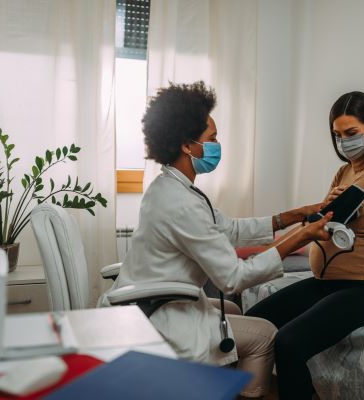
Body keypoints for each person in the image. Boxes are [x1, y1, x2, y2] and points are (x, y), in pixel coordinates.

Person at [102, 81, 333, 398]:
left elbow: (230, 228)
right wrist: (300, 237)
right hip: (159, 315)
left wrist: (292, 217)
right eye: (211, 139)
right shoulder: (181, 203)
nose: (216, 145)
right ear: (187, 145)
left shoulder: (170, 188)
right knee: (265, 334)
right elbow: (233, 278)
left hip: (149, 300)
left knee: (234, 314)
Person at [245, 91, 364, 399]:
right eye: (337, 135)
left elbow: (326, 221)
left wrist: (320, 214)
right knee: (254, 323)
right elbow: (321, 216)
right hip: (331, 284)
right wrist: (319, 212)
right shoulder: (346, 170)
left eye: (351, 133)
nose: (344, 141)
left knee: (289, 342)